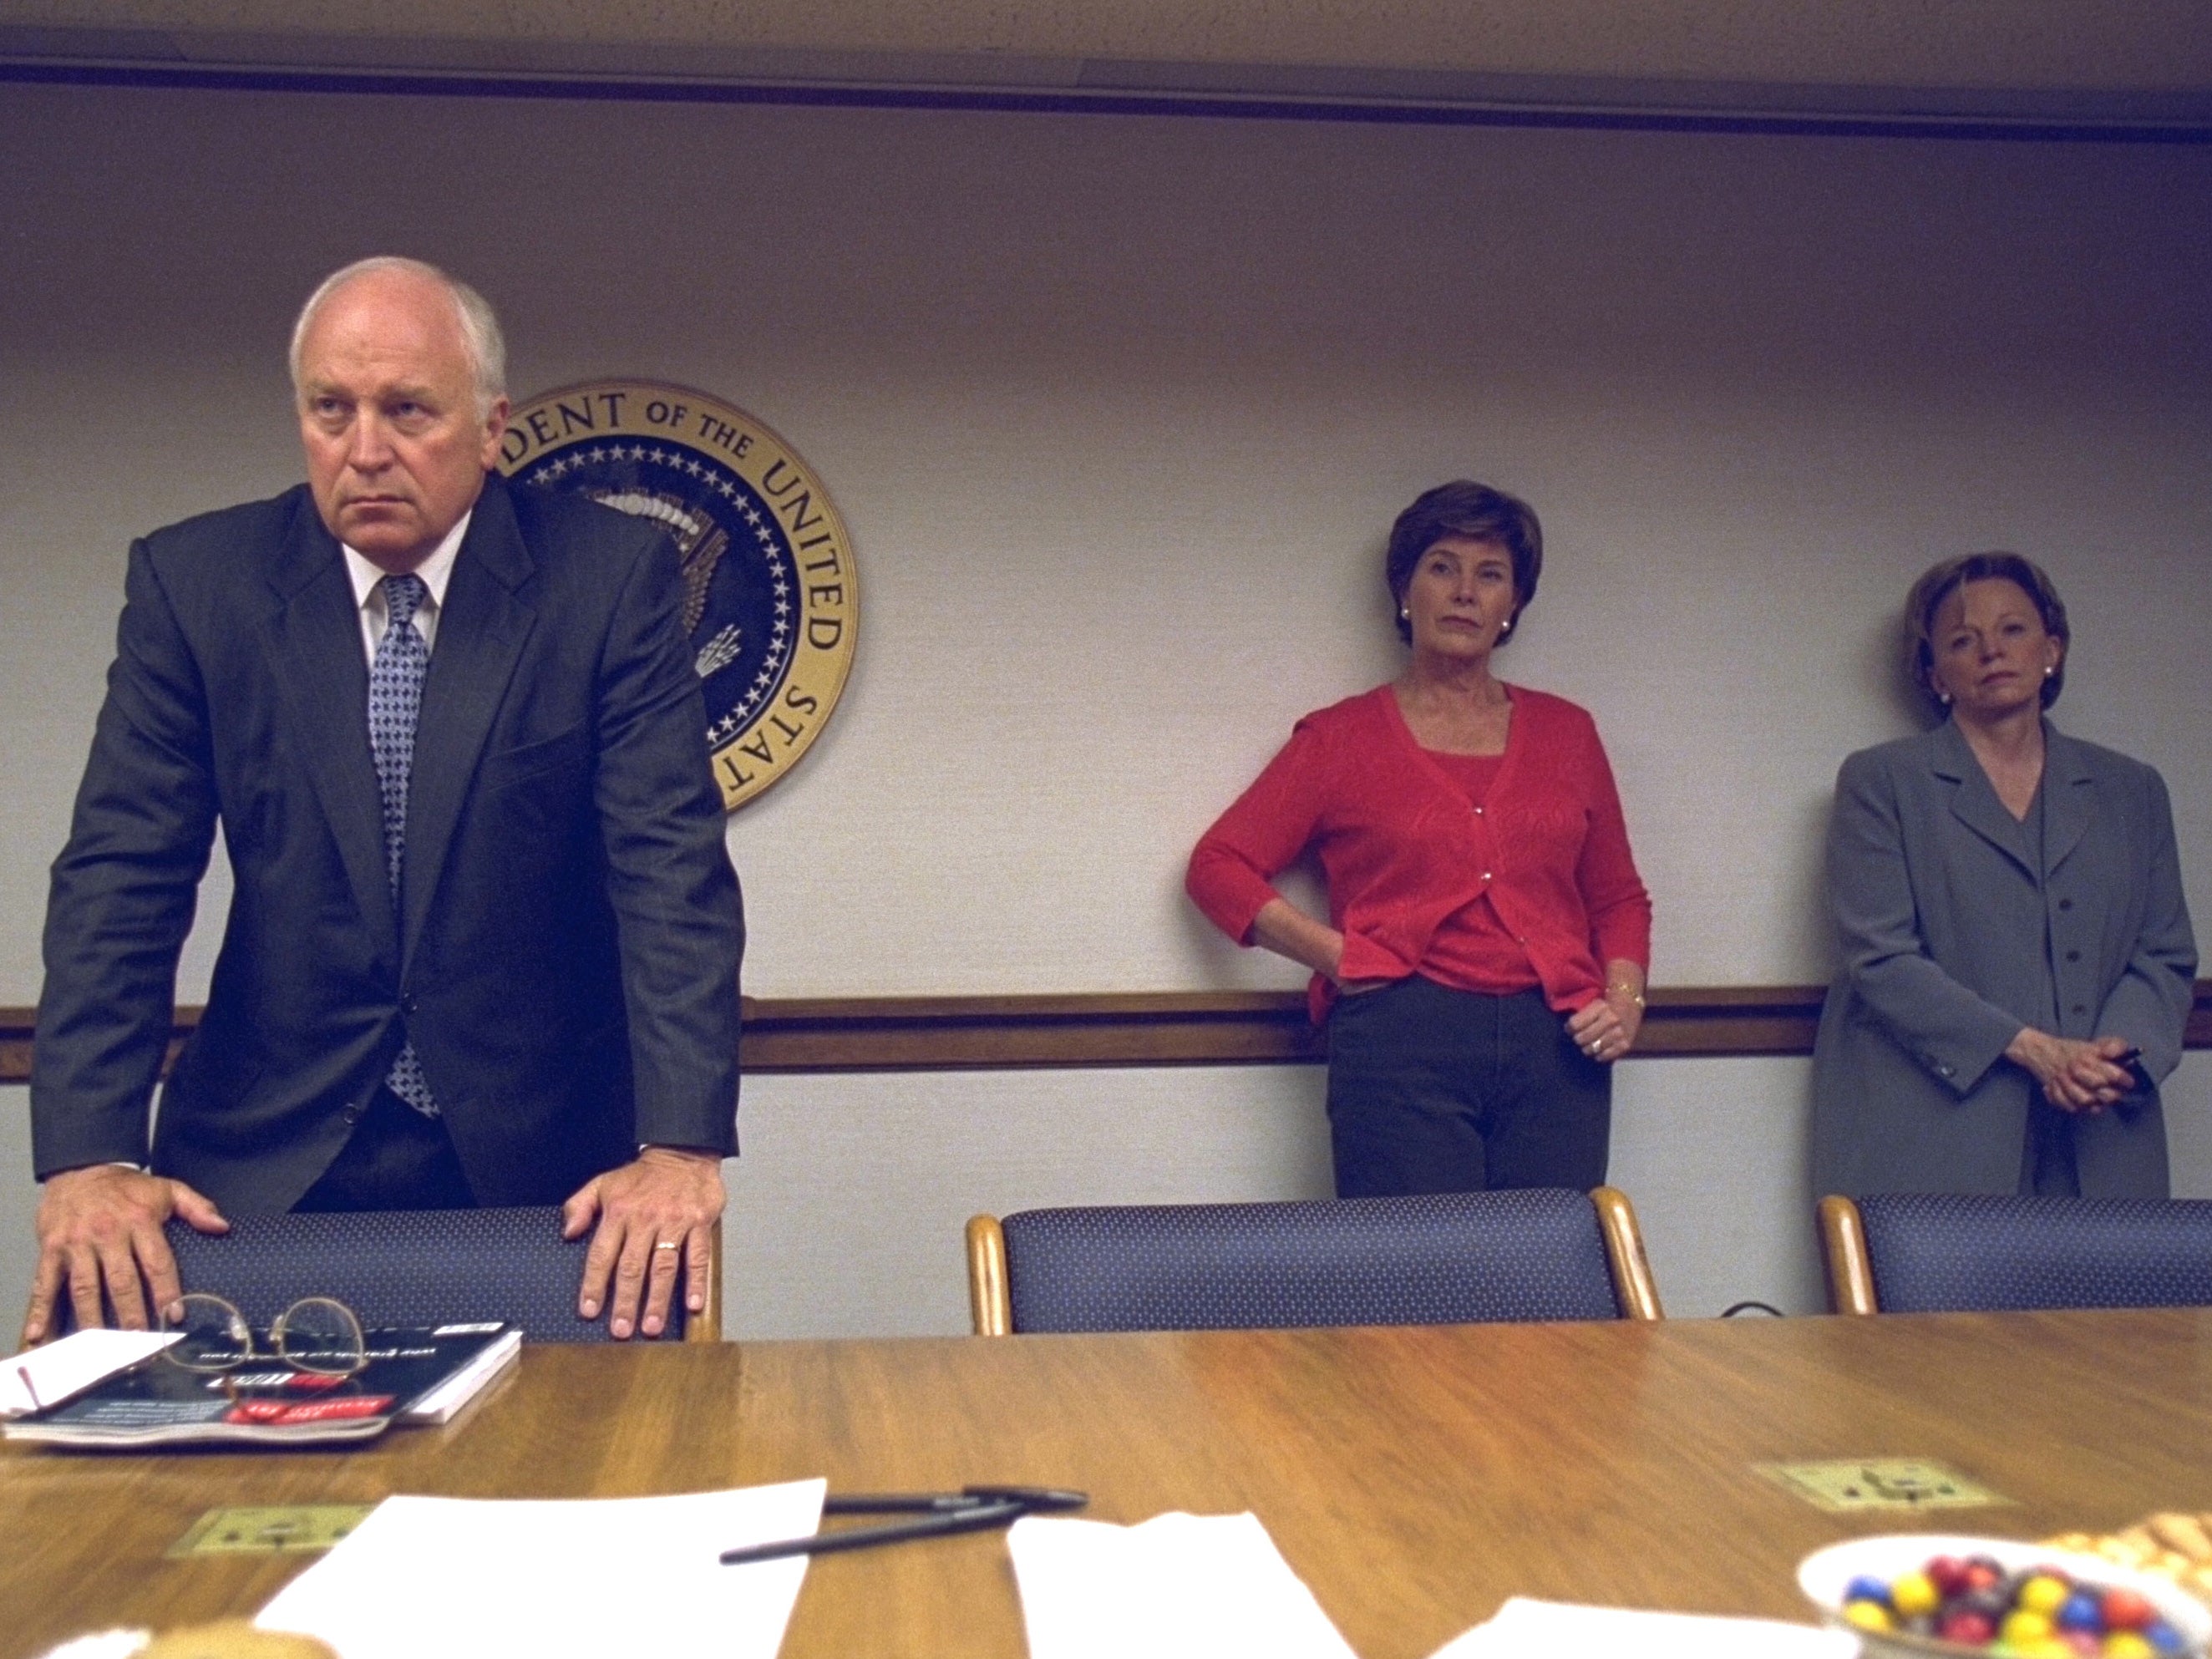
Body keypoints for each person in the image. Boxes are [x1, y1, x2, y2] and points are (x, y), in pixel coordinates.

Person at [24, 257, 745, 1346]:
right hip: (261, 1156)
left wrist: (678, 1146)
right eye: (331, 409)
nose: (365, 449)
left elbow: (669, 869)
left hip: (544, 1163)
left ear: (493, 425)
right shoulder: (198, 585)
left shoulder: (607, 578)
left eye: (407, 410)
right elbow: (122, 873)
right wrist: (91, 1153)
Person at [1186, 479, 1652, 1197]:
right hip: (1400, 1044)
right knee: (1416, 1284)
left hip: (1556, 1051)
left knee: (1550, 1284)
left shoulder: (1569, 734)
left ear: (1513, 606)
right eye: (1442, 566)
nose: (1465, 591)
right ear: (1405, 591)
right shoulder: (1340, 738)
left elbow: (1617, 896)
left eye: (1490, 574)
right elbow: (1219, 867)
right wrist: (1334, 954)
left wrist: (1624, 1001)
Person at [1810, 553, 2196, 1199]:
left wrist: (2112, 1060)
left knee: (2116, 1301)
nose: (1992, 650)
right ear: (1933, 673)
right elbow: (1881, 957)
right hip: (1933, 1127)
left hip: (2100, 1132)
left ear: (2053, 649)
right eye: (1963, 640)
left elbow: (2162, 953)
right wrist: (2036, 1051)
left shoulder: (2132, 789)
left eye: (2013, 630)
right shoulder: (1882, 782)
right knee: (1947, 1303)